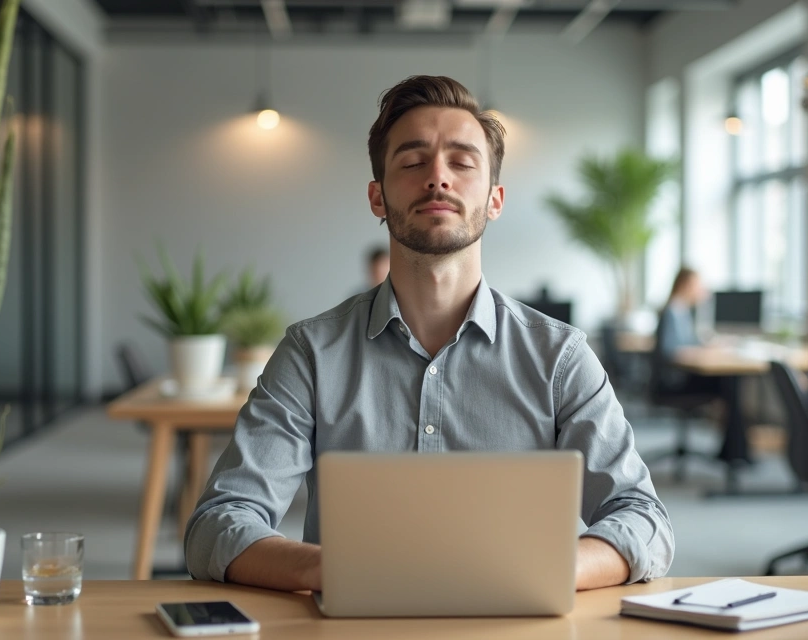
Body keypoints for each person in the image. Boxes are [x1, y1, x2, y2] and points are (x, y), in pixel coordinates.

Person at [186, 76, 673, 592]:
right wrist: (330, 569)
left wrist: (545, 570)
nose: (438, 177)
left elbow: (643, 519)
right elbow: (218, 522)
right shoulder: (312, 353)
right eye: (413, 162)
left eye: (462, 162)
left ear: (495, 199)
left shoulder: (560, 357)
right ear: (377, 196)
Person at [652, 267, 718, 396]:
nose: (700, 291)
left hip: (681, 374)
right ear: (686, 286)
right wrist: (696, 351)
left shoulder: (683, 310)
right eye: (697, 286)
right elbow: (668, 349)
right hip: (673, 379)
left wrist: (705, 345)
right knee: (722, 383)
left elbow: (688, 341)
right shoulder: (671, 312)